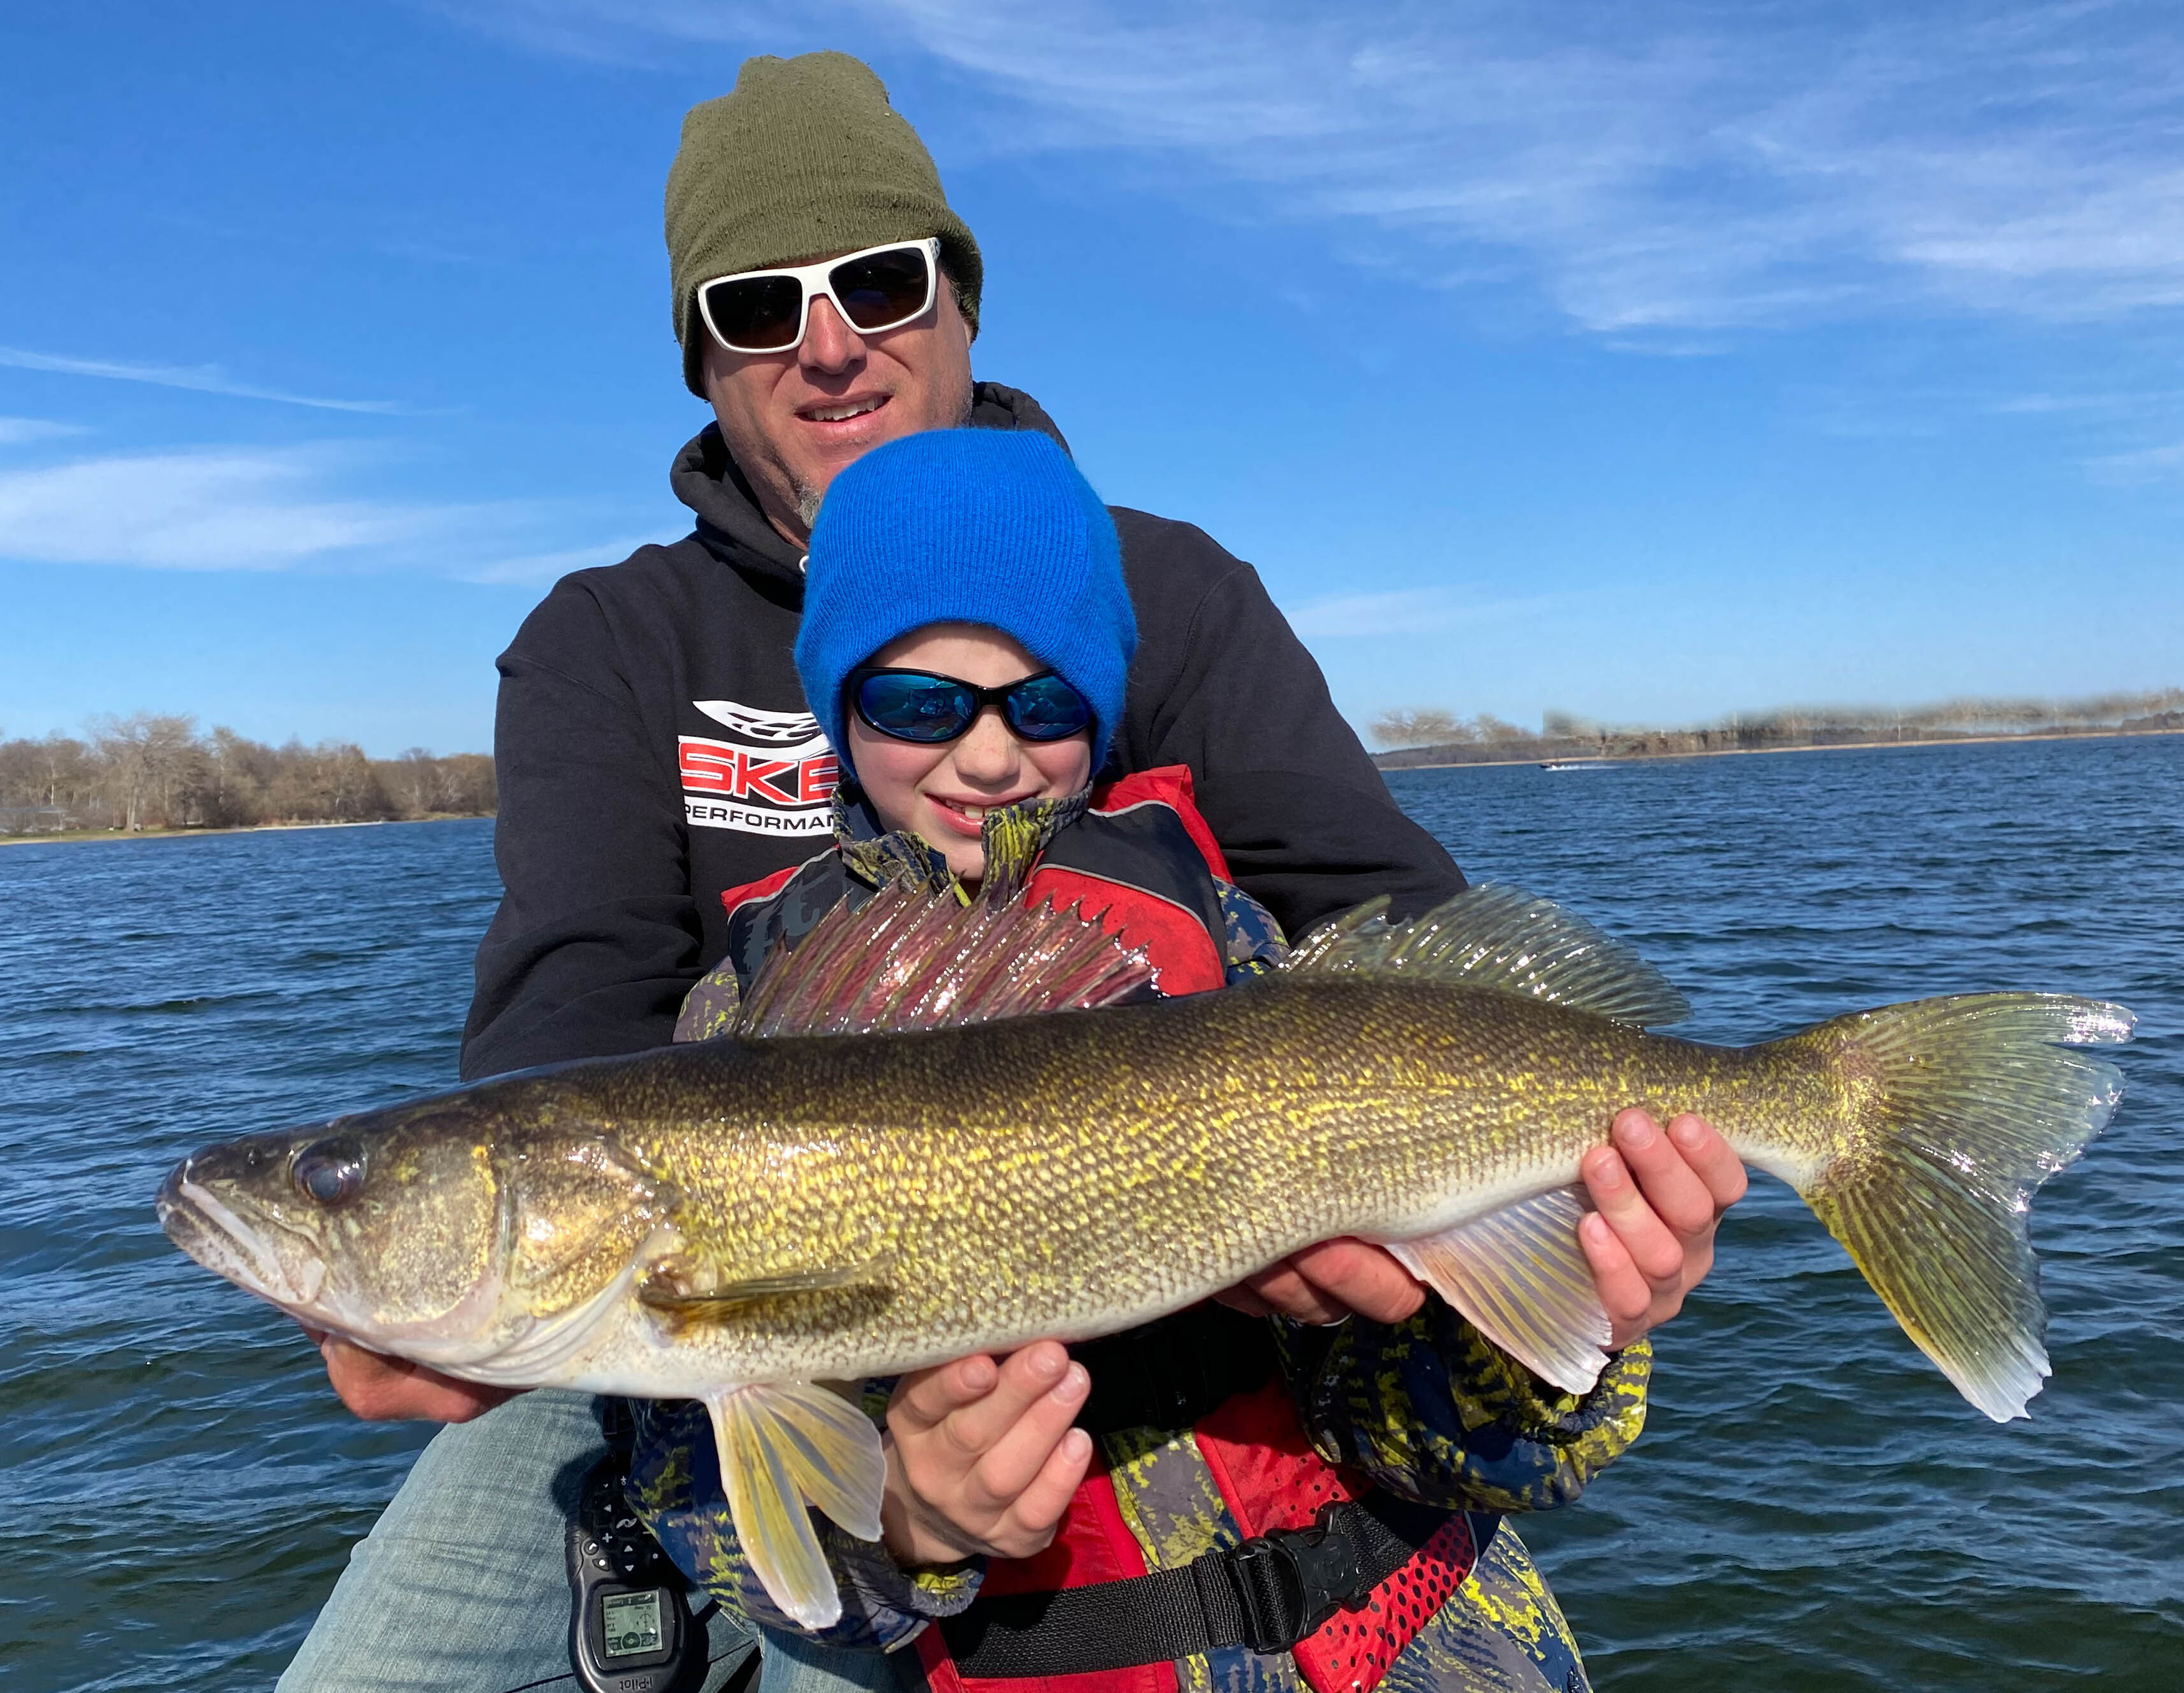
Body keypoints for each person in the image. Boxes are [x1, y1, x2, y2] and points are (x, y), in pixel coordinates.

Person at [282, 50, 1746, 1693]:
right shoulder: (606, 642)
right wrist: (451, 1274)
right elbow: (567, 1008)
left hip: (1203, 1272)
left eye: (880, 284)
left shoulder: (1156, 582)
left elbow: (1387, 921)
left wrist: (1554, 1221)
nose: (829, 344)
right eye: (760, 307)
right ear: (704, 362)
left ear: (962, 301)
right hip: (714, 1285)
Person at [633, 422, 1652, 1693]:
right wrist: (909, 1527)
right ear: (840, 712)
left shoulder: (1234, 959)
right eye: (917, 702)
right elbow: (711, 1510)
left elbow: (1503, 1453)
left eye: (1047, 701)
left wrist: (1574, 1323)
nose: (991, 754)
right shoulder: (737, 1040)